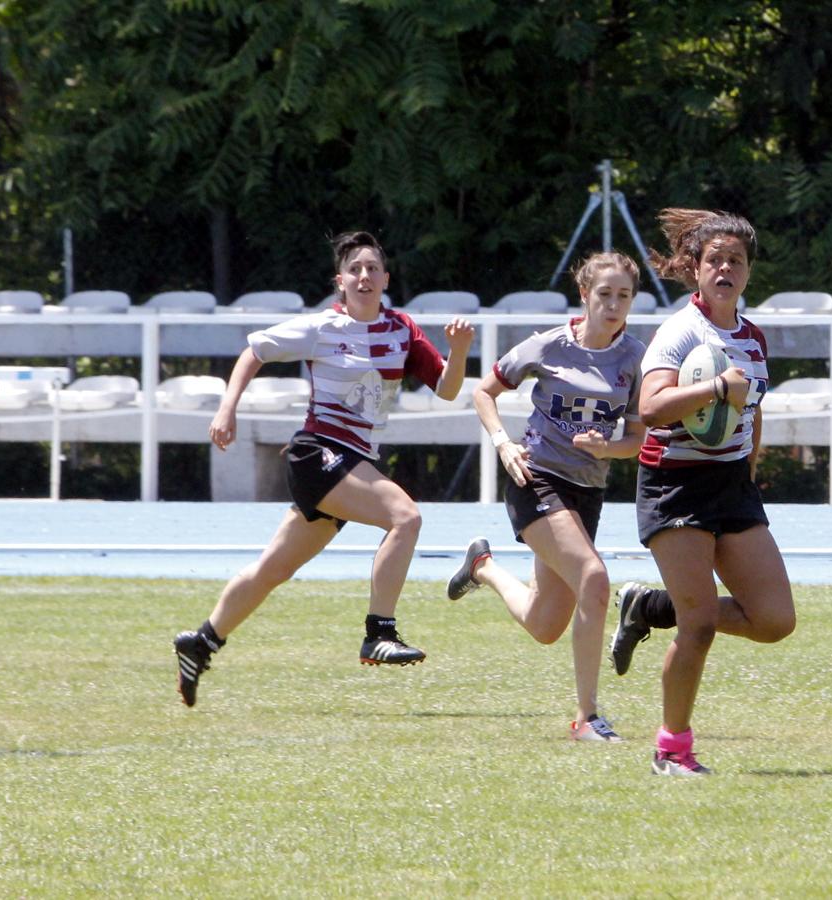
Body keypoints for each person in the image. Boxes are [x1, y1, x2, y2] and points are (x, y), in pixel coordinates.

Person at [173, 230, 474, 707]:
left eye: (373, 268)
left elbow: (448, 388)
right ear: (341, 281)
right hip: (318, 453)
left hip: (354, 459)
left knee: (273, 569)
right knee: (406, 516)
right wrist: (226, 408)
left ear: (385, 279)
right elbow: (254, 351)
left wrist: (457, 351)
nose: (364, 276)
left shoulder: (402, 329)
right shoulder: (321, 328)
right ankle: (380, 631)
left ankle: (203, 640)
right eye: (355, 269)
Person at [608, 208, 796, 776]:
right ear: (695, 268)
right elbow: (650, 408)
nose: (724, 268)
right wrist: (716, 387)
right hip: (676, 484)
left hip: (732, 485)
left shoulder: (752, 337)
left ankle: (650, 605)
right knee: (701, 628)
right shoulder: (681, 330)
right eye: (714, 259)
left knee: (774, 620)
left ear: (747, 273)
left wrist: (750, 466)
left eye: (735, 261)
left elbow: (751, 408)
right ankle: (672, 749)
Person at [445, 251, 646, 743]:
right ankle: (586, 718)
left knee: (545, 623)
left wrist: (609, 448)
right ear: (584, 295)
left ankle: (483, 567)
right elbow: (483, 393)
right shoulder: (550, 345)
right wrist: (502, 443)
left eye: (623, 296)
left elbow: (636, 440)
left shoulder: (637, 359)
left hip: (587, 491)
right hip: (535, 479)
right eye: (604, 294)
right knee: (595, 579)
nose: (614, 304)